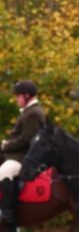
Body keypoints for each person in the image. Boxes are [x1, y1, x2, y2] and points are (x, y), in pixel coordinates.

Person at [0, 80, 47, 224]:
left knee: (3, 173)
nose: (16, 99)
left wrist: (6, 146)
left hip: (23, 157)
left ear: (27, 96)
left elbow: (27, 139)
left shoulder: (33, 113)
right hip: (16, 153)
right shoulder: (29, 111)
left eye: (18, 96)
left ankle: (6, 212)